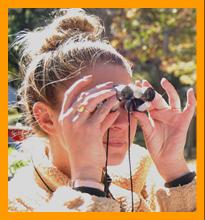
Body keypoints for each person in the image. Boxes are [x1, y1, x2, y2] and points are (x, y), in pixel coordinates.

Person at [8, 8, 196, 212]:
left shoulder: (142, 172)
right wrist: (87, 184)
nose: (123, 123)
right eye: (100, 105)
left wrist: (175, 170)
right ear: (47, 119)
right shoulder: (15, 202)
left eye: (129, 103)